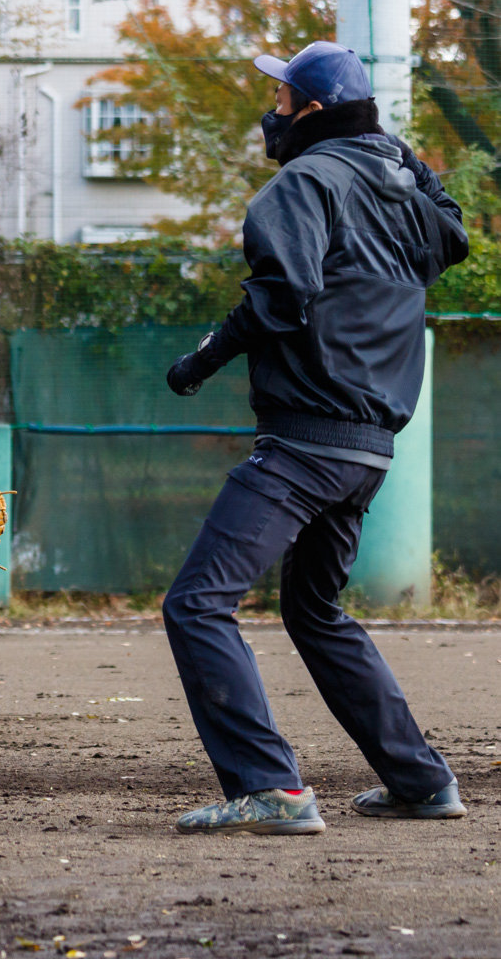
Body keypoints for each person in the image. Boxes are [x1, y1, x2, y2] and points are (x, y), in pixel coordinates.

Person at [161, 42, 470, 835]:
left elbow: (278, 298)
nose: (272, 111)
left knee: (197, 604)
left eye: (281, 98)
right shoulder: (400, 191)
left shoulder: (305, 181)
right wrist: (401, 153)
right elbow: (454, 232)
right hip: (367, 452)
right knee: (313, 609)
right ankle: (422, 781)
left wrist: (201, 359)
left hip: (305, 446)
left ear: (313, 111)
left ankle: (272, 788)